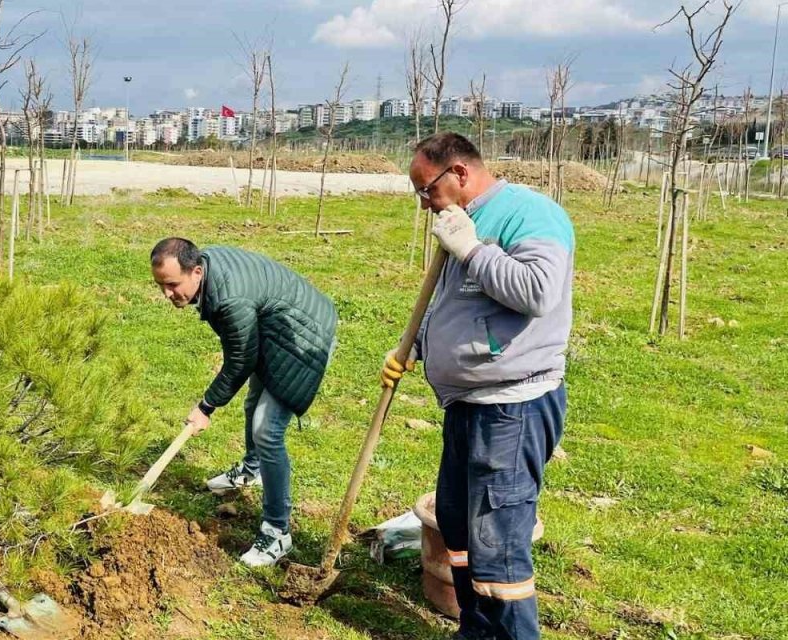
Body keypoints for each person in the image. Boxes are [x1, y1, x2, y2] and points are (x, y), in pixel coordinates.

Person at [382, 132, 574, 640]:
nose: (424, 204)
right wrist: (417, 345)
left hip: (512, 407)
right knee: (459, 527)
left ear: (460, 173)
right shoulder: (459, 220)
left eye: (427, 190)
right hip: (469, 405)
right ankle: (476, 631)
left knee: (498, 546)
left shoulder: (530, 215)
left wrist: (469, 249)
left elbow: (537, 291)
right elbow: (458, 305)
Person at [150, 238, 337, 567]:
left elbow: (240, 358)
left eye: (172, 285)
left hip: (305, 334)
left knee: (267, 428)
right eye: (161, 286)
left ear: (196, 271)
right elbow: (244, 351)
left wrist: (206, 407)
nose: (166, 295)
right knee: (253, 402)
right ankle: (252, 470)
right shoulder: (209, 271)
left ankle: (278, 531)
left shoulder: (230, 299)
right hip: (278, 326)